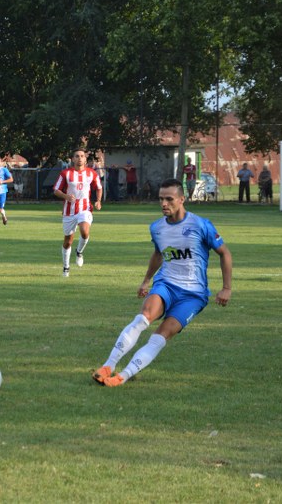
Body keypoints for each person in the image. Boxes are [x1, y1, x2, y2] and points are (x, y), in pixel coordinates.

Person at [92, 178, 232, 387]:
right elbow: (158, 254)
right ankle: (108, 366)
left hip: (193, 296)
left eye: (169, 199)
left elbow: (224, 253)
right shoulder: (157, 228)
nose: (164, 203)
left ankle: (123, 376)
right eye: (160, 199)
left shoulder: (201, 225)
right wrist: (146, 280)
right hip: (166, 284)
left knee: (161, 335)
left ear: (182, 199)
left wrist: (226, 288)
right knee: (142, 319)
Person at [53, 149, 102, 277]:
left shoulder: (91, 173)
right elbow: (56, 190)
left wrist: (98, 200)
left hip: (85, 208)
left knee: (85, 232)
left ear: (85, 159)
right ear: (72, 159)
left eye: (82, 156)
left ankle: (79, 252)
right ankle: (66, 267)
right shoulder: (65, 174)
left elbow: (99, 188)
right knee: (68, 241)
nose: (79, 158)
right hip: (69, 211)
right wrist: (66, 196)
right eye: (77, 156)